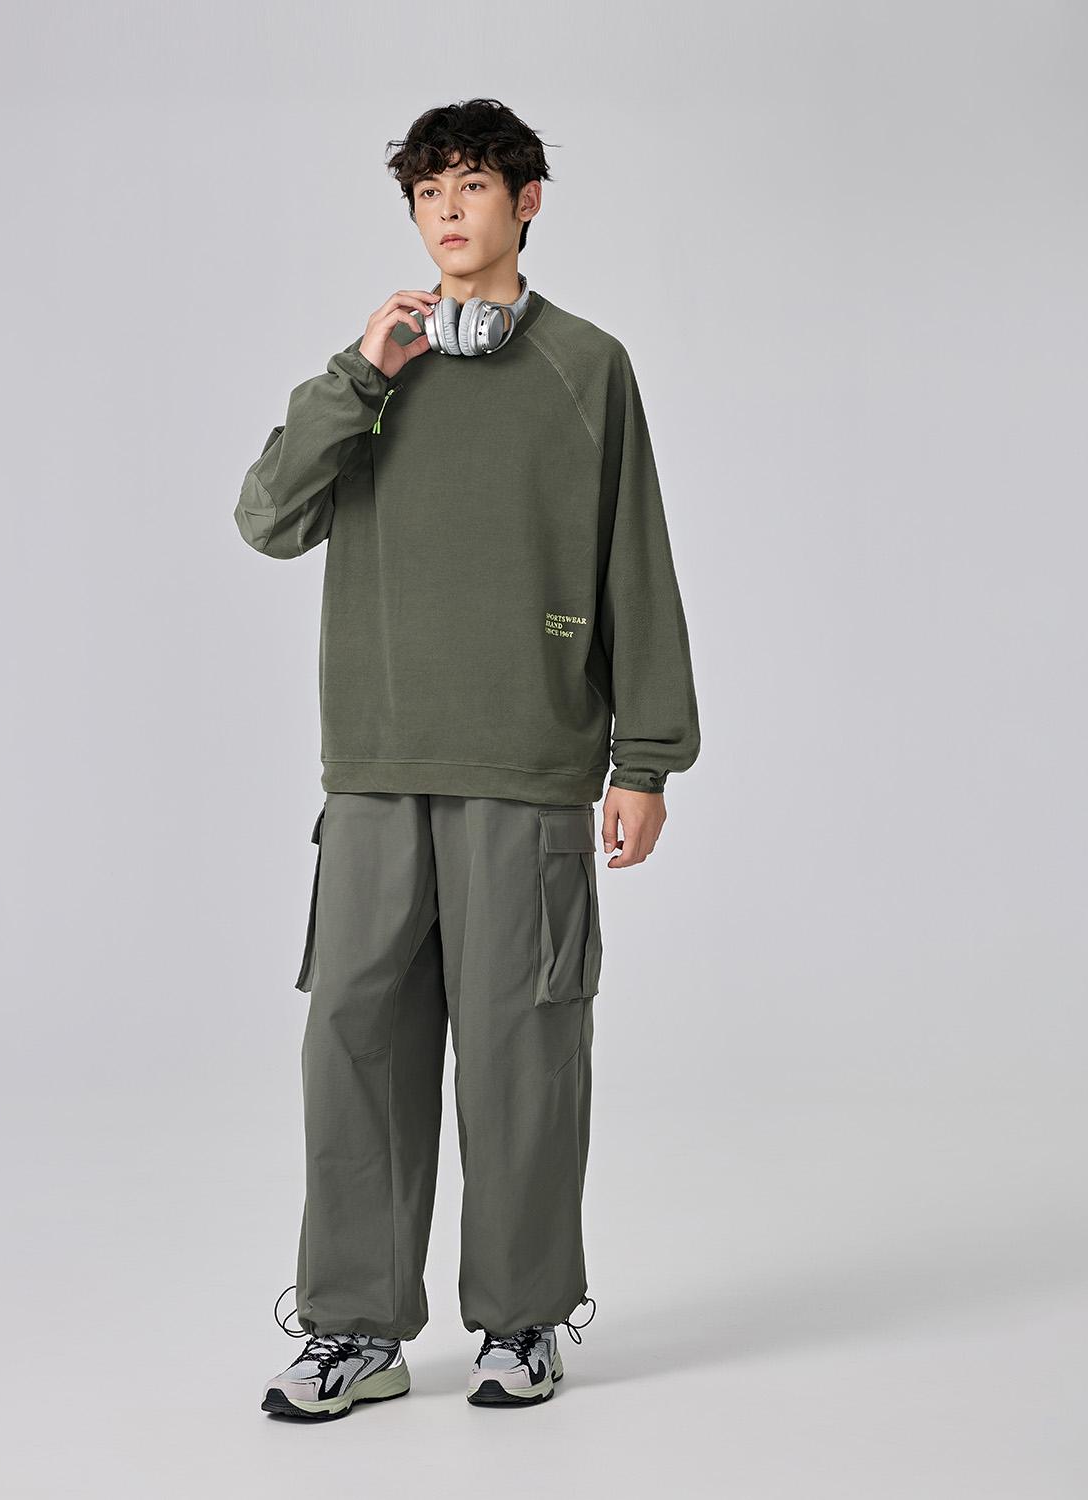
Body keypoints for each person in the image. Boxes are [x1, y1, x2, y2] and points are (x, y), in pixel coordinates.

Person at [234, 98, 702, 1420]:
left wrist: (645, 758)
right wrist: (360, 374)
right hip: (375, 773)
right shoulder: (373, 373)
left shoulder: (588, 367)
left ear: (526, 201)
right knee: (354, 1047)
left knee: (522, 1055)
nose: (448, 211)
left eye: (473, 187)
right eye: (428, 192)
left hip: (528, 771)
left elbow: (634, 560)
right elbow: (267, 517)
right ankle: (353, 1331)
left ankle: (523, 1319)